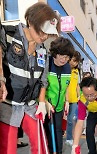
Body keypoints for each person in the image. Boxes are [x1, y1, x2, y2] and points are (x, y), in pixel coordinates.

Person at [0, 2, 60, 154]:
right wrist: (1, 79)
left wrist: (41, 101)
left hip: (30, 104)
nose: (45, 36)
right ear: (31, 21)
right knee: (8, 147)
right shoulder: (9, 35)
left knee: (41, 145)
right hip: (8, 103)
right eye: (42, 31)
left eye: (48, 33)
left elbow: (43, 79)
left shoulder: (42, 51)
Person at [44, 37, 74, 154]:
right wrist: (45, 102)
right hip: (45, 106)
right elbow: (41, 85)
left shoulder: (67, 68)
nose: (64, 59)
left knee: (58, 132)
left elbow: (66, 86)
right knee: (47, 135)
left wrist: (66, 101)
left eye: (67, 57)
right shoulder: (47, 63)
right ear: (55, 52)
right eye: (61, 55)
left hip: (59, 107)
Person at [65, 50, 81, 146]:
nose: (72, 62)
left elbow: (77, 85)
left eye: (75, 61)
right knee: (61, 119)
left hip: (74, 99)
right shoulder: (64, 68)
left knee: (71, 120)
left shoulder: (76, 72)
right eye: (72, 59)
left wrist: (79, 95)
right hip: (64, 99)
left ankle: (69, 138)